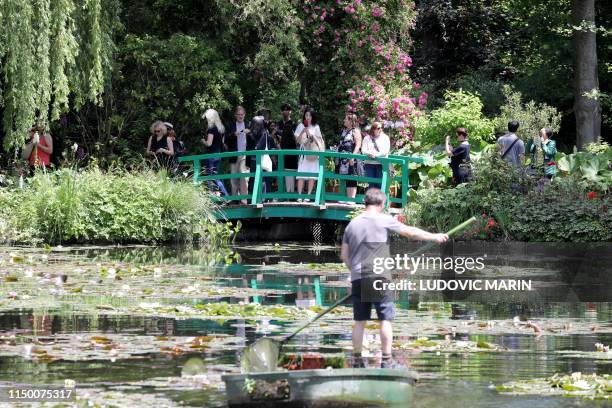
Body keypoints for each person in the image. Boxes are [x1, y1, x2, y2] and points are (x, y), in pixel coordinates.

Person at [341, 189, 448, 368]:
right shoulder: (383, 219)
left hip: (358, 277)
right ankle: (387, 361)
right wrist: (434, 237)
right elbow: (411, 233)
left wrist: (355, 273)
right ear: (382, 204)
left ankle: (357, 362)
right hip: (379, 276)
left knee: (360, 321)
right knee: (385, 320)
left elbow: (344, 255)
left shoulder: (352, 224)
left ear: (365, 203)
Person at [295, 107, 325, 202]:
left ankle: (308, 195)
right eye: (306, 115)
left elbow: (320, 140)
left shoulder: (316, 127)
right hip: (303, 152)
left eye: (310, 115)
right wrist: (303, 131)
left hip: (313, 152)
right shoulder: (300, 125)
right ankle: (299, 196)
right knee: (301, 174)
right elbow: (298, 141)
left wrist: (313, 137)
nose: (308, 117)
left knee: (312, 174)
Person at [225, 106, 253, 204]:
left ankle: (244, 199)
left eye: (242, 114)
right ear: (235, 115)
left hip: (245, 154)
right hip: (234, 154)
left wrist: (250, 133)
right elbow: (225, 140)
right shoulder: (231, 125)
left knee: (244, 175)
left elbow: (255, 138)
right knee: (234, 178)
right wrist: (233, 135)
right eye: (239, 114)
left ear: (244, 115)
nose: (241, 116)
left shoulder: (249, 124)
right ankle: (235, 199)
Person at [336, 113, 363, 201]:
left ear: (351, 121)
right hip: (343, 159)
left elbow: (358, 144)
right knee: (345, 177)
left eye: (346, 119)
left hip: (351, 158)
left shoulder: (355, 131)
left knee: (352, 177)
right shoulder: (344, 130)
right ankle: (347, 198)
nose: (344, 120)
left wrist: (353, 156)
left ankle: (352, 199)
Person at [202, 109, 229, 196]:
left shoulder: (211, 129)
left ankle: (220, 196)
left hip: (211, 156)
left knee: (210, 177)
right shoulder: (220, 128)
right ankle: (222, 196)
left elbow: (209, 144)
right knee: (215, 176)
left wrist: (203, 141)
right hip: (218, 155)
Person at [252, 116, 278, 196]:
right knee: (264, 179)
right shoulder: (265, 134)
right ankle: (265, 197)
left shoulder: (265, 134)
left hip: (262, 160)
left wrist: (275, 162)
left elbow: (263, 148)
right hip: (263, 161)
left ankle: (264, 197)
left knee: (264, 180)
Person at [361, 121, 390, 190]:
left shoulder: (385, 138)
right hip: (369, 163)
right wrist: (369, 153)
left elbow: (386, 151)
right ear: (373, 129)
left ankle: (379, 200)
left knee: (380, 184)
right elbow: (363, 150)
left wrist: (376, 154)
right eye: (379, 128)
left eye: (381, 128)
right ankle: (372, 200)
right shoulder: (367, 138)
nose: (381, 129)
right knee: (371, 184)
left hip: (381, 164)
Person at [277, 103, 298, 195]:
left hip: (292, 153)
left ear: (290, 111)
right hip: (281, 153)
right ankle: (282, 195)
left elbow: (297, 139)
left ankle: (291, 195)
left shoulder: (294, 124)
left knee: (291, 175)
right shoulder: (278, 124)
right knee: (281, 175)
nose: (286, 112)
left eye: (288, 110)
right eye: (284, 110)